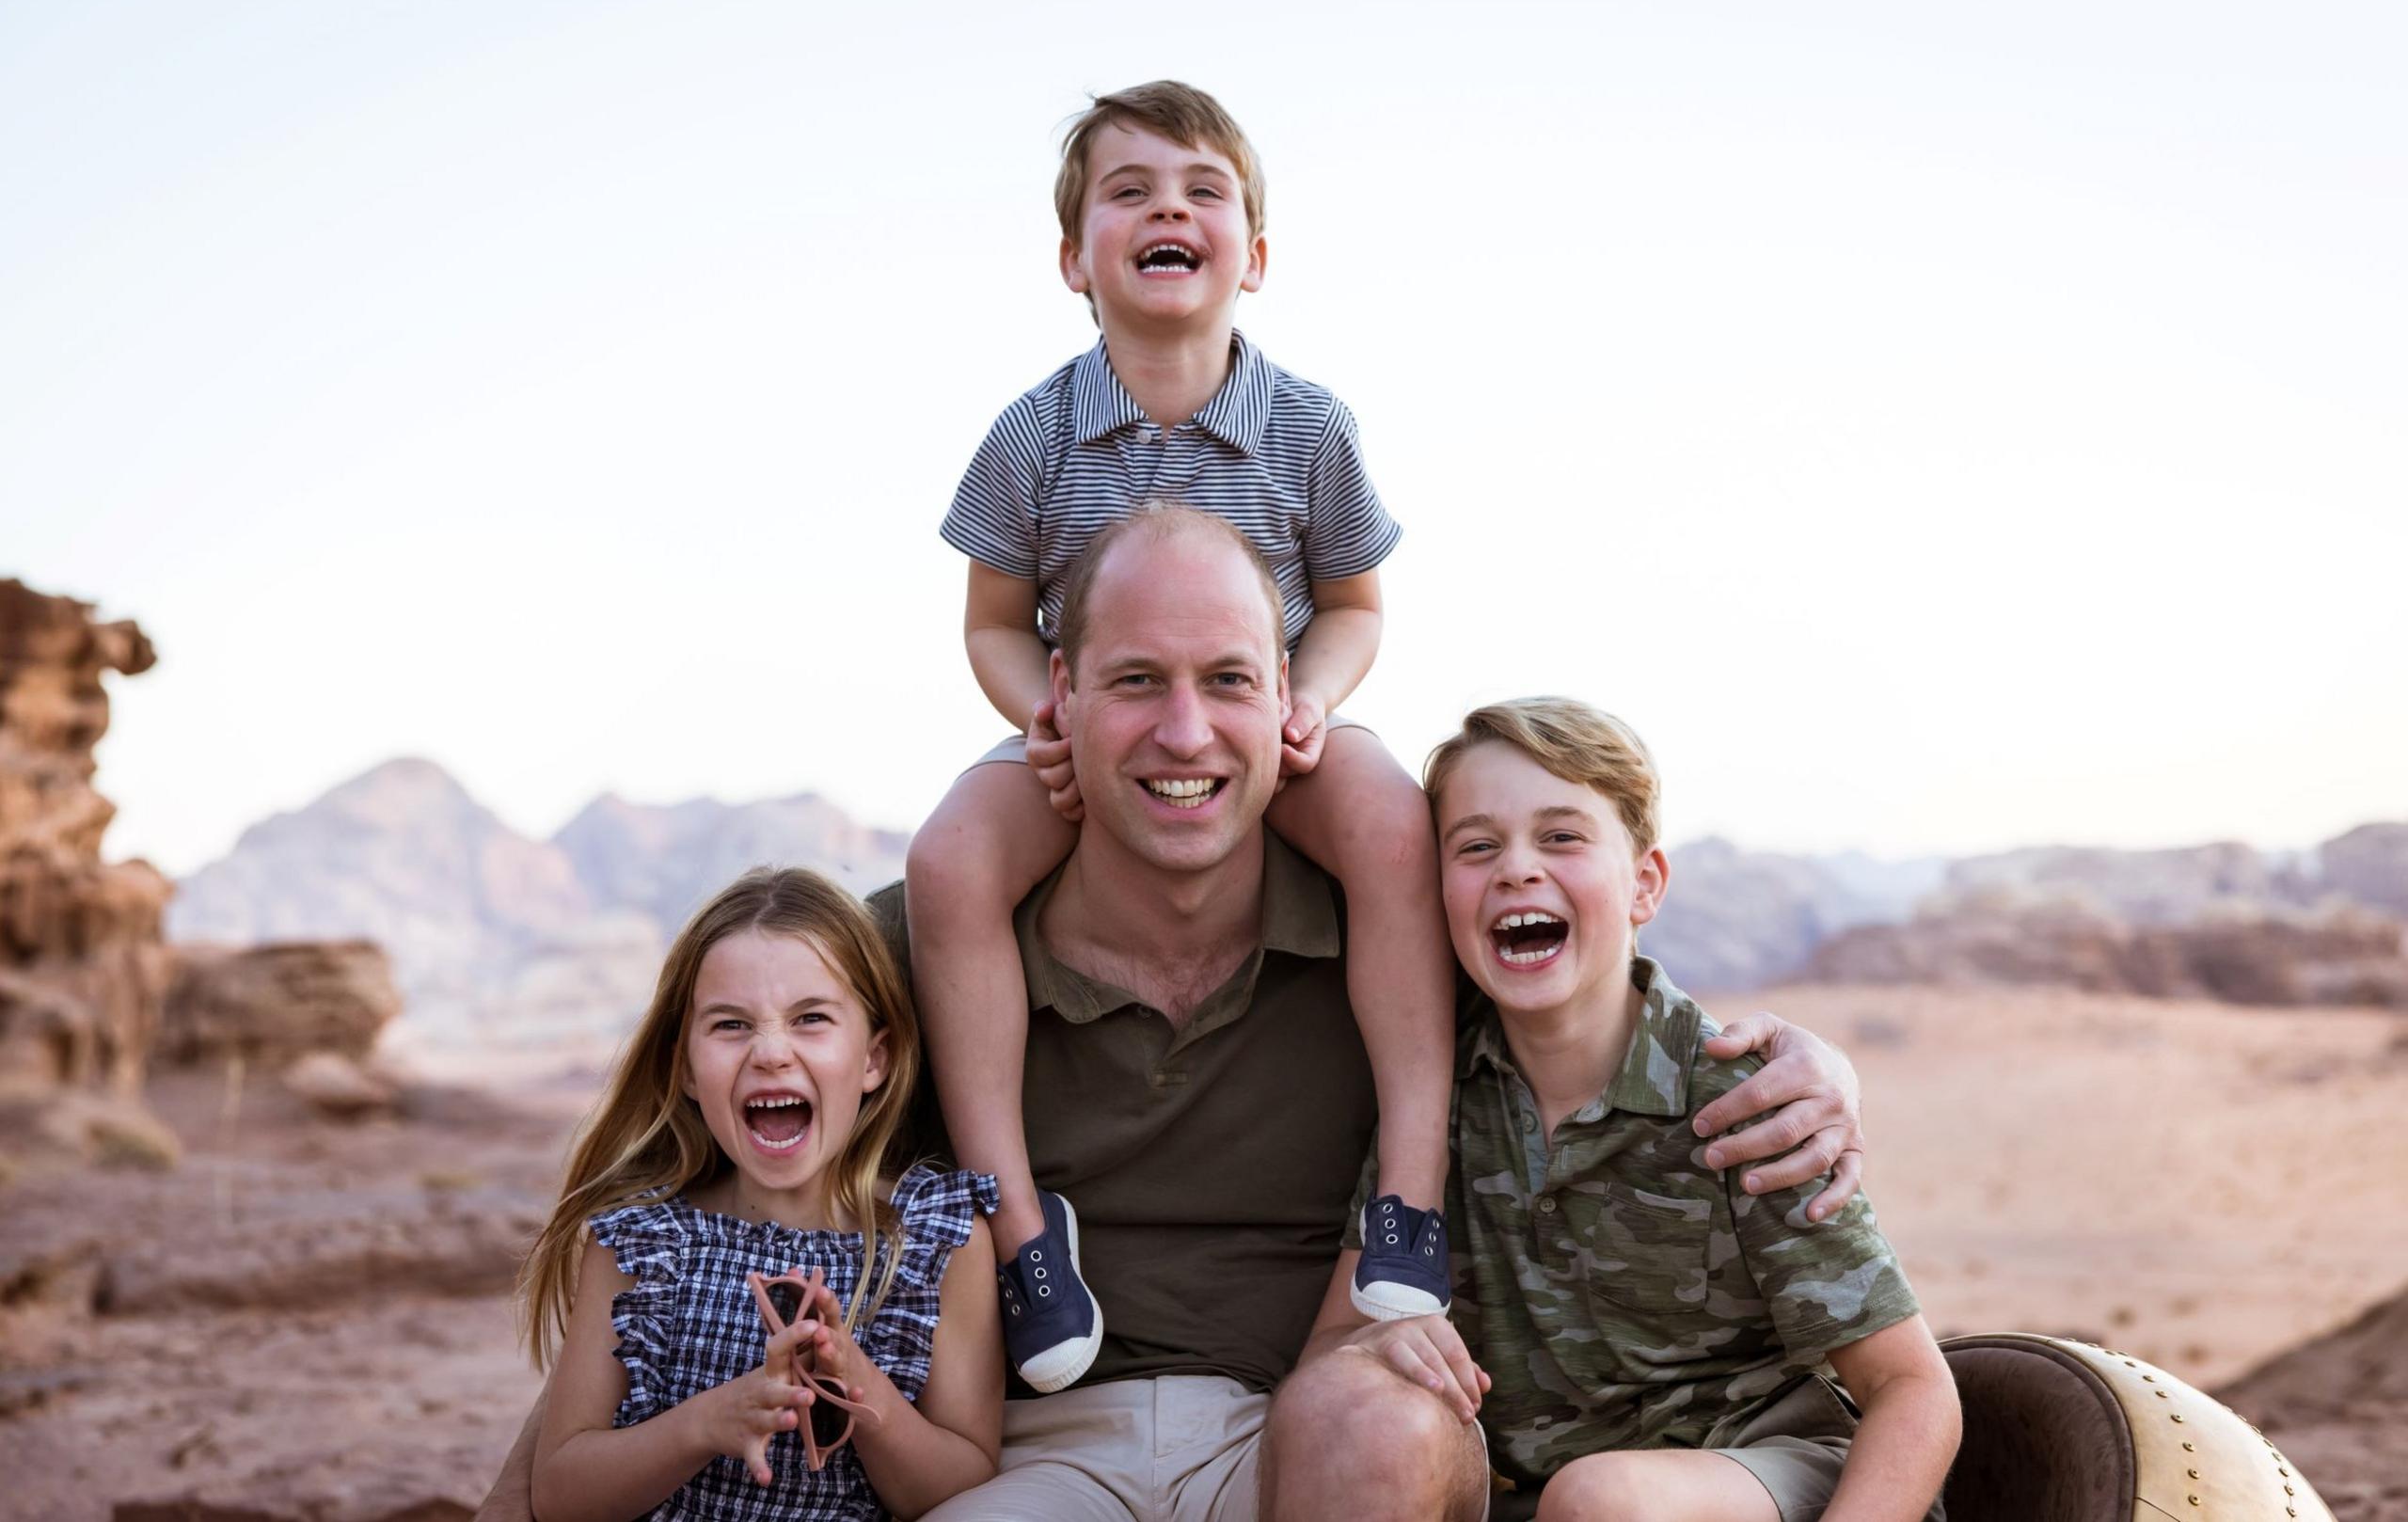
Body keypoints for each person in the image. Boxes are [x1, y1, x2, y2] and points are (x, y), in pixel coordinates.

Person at [477, 508, 1874, 1522]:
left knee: (1380, 1417)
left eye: (1227, 681)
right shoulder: (921, 961)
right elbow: (695, 1187)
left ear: (1291, 707)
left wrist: (1823, 1061)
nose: (1186, 733)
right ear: (1058, 703)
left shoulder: (1398, 944)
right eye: (1137, 680)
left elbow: (1587, 992)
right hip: (1034, 1450)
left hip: (1313, 1433)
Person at [907, 78, 1459, 1393]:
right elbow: (990, 620)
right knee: (947, 862)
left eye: (1204, 189)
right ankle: (1023, 1230)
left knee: (1392, 819)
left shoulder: (1308, 426)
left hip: (1268, 724)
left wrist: (1308, 696)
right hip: (1096, 735)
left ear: (1253, 256)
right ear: (1073, 256)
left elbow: (1356, 602)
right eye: (1132, 191)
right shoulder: (1035, 433)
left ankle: (1414, 1193)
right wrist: (1035, 712)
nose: (1170, 207)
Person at [1388, 699, 1959, 1521]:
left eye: (1561, 837)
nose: (1516, 868)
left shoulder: (1743, 1101)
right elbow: (1350, 1334)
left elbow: (1912, 1388)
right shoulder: (1431, 1092)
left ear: (1645, 883)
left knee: (1601, 1498)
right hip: (1556, 1496)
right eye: (1477, 846)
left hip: (1775, 1471)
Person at [512, 866, 1006, 1521]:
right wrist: (706, 1423)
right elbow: (561, 1496)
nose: (771, 1051)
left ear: (873, 1059)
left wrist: (849, 1378)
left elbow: (960, 1487)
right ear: (685, 1067)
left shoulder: (937, 1239)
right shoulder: (642, 1242)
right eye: (731, 1025)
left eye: (811, 1018)